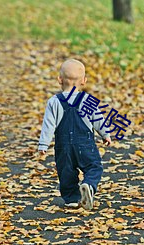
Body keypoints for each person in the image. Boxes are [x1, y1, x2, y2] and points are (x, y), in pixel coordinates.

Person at [38, 59, 111, 210]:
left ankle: (71, 199)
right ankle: (89, 185)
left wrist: (43, 144)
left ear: (60, 79)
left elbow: (48, 125)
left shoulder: (54, 102)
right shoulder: (87, 100)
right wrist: (105, 134)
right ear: (84, 81)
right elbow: (98, 119)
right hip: (85, 144)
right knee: (94, 167)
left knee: (66, 172)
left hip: (63, 146)